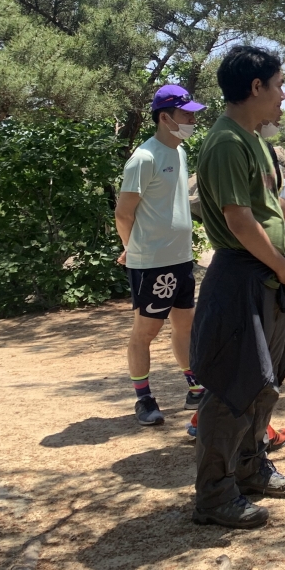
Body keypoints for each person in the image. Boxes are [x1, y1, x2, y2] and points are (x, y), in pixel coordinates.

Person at [190, 45, 285, 529]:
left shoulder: (254, 141)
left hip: (265, 275)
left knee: (262, 383)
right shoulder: (227, 143)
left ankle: (250, 468)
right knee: (232, 386)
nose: (283, 94)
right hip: (240, 279)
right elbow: (239, 220)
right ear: (256, 87)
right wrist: (282, 265)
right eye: (279, 85)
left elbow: (271, 209)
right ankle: (213, 495)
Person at [115, 84, 206, 427]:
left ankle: (195, 387)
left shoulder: (179, 152)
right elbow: (124, 213)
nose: (193, 120)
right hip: (152, 263)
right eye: (186, 115)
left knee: (185, 325)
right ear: (165, 118)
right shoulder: (144, 157)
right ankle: (144, 398)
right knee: (145, 331)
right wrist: (131, 249)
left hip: (180, 259)